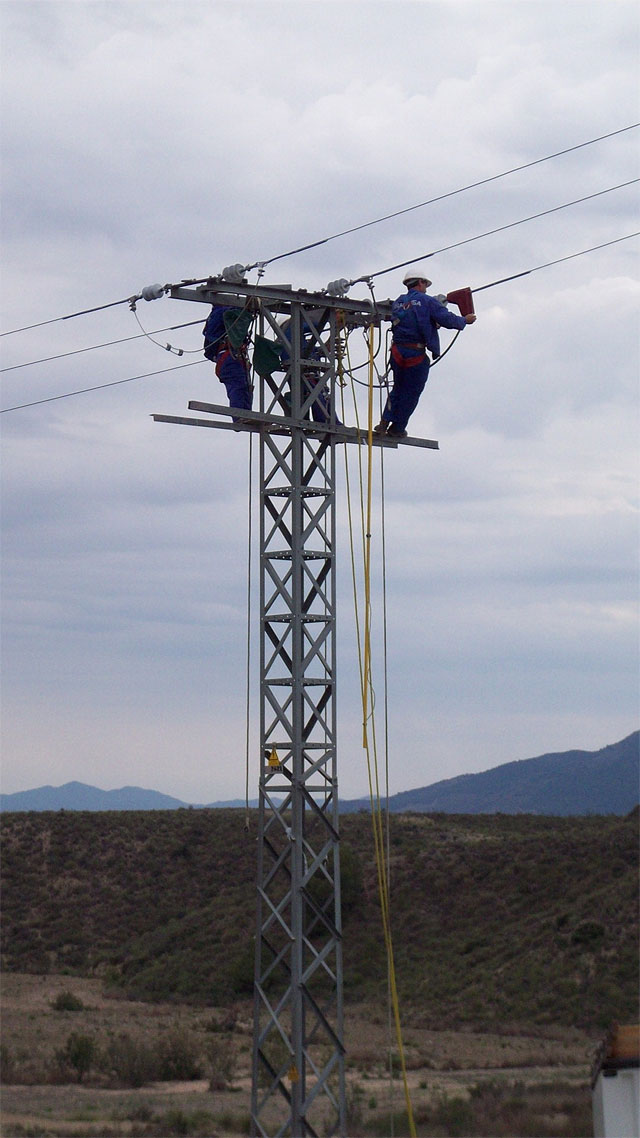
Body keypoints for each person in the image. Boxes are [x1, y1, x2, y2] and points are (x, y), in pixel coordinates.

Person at [375, 267, 476, 437]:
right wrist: (464, 320)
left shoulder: (399, 302)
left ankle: (384, 422)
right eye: (425, 285)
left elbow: (413, 321)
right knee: (411, 392)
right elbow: (447, 319)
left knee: (398, 389)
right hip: (415, 354)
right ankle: (397, 428)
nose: (426, 288)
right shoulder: (427, 301)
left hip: (398, 353)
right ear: (420, 282)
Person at [202, 304, 253, 420]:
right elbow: (233, 312)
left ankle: (246, 415)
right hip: (229, 357)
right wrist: (245, 306)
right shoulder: (221, 312)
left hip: (231, 357)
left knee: (244, 386)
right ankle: (240, 416)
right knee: (238, 386)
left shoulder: (217, 314)